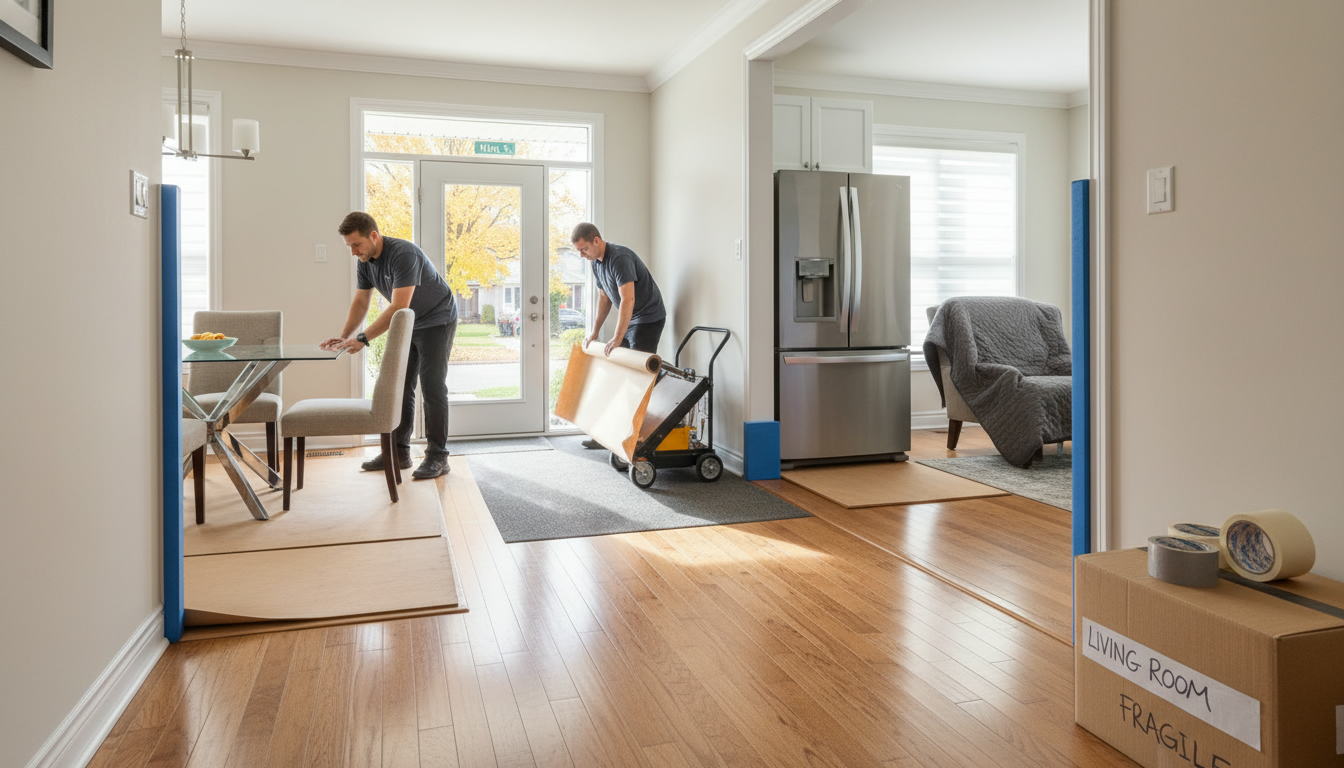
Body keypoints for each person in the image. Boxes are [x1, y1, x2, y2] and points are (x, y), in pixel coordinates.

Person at [320, 212, 457, 479]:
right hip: (408, 322)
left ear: (373, 235)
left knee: (432, 386)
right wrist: (344, 335)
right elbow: (361, 302)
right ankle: (398, 452)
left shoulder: (404, 254)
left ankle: (438, 456)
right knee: (400, 386)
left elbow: (398, 305)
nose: (353, 252)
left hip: (436, 320)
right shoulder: (366, 260)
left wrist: (362, 339)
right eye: (349, 246)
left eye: (356, 244)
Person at [571, 222, 666, 449]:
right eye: (578, 251)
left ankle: (634, 435)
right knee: (615, 372)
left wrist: (617, 336)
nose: (582, 255)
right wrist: (594, 331)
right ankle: (605, 434)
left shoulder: (619, 258)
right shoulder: (596, 263)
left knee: (638, 375)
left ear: (596, 240)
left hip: (648, 318)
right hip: (631, 318)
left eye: (584, 249)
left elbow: (628, 299)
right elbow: (604, 299)